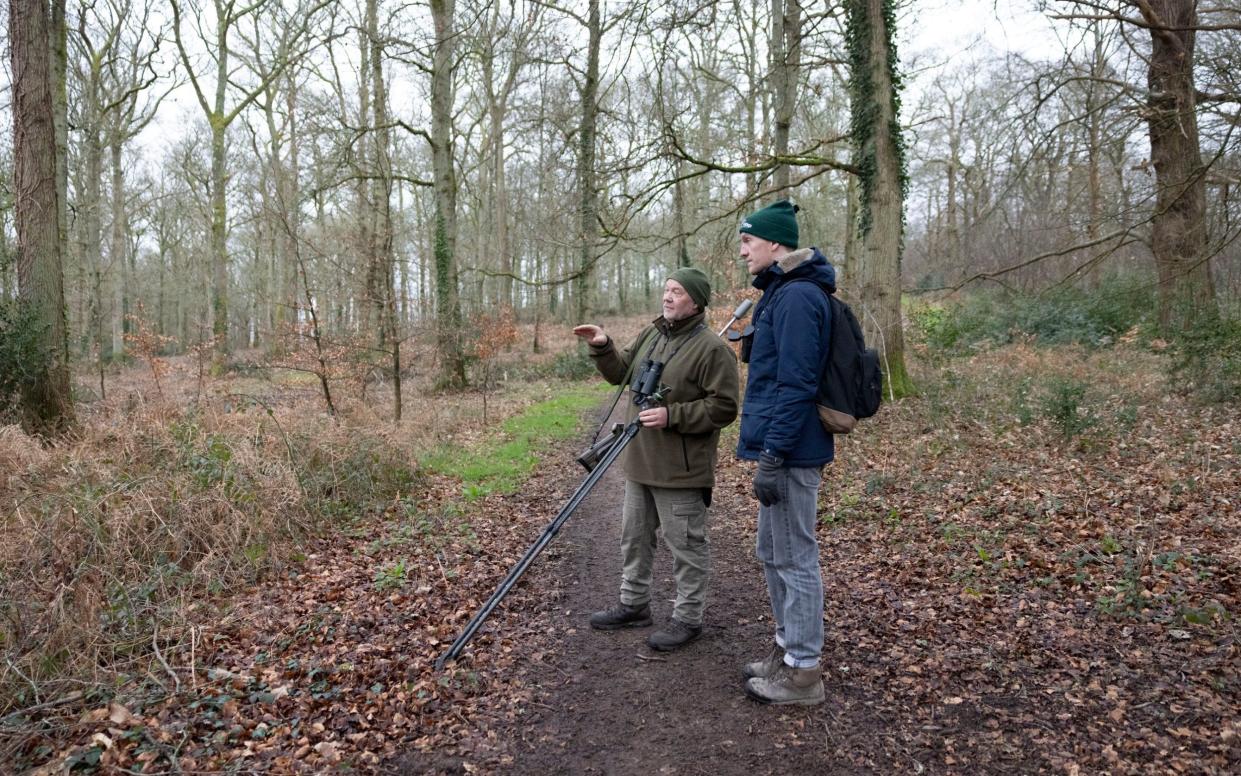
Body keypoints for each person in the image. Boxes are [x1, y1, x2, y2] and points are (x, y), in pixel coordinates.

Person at [572, 267, 739, 651]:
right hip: (639, 462)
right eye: (666, 290)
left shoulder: (713, 349)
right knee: (634, 538)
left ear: (695, 301)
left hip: (680, 470)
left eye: (677, 292)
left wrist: (672, 415)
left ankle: (688, 619)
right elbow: (620, 374)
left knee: (687, 547)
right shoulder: (651, 334)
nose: (667, 297)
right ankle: (633, 605)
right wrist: (602, 345)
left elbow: (725, 408)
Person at [735, 199, 835, 705]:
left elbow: (795, 384)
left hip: (794, 450)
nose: (743, 251)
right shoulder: (779, 293)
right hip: (782, 448)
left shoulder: (798, 297)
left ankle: (804, 674)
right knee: (772, 552)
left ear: (775, 244)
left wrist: (773, 453)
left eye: (748, 241)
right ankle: (787, 650)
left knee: (795, 556)